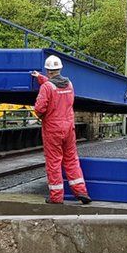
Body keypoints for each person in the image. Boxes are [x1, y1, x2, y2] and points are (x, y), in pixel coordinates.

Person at [30, 55, 91, 205]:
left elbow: (39, 108)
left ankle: (56, 197)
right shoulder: (69, 84)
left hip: (53, 130)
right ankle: (81, 192)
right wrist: (41, 78)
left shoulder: (47, 87)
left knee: (54, 162)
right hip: (69, 128)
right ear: (60, 69)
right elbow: (55, 86)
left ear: (48, 70)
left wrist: (39, 114)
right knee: (71, 160)